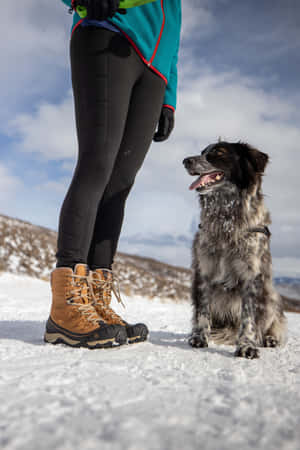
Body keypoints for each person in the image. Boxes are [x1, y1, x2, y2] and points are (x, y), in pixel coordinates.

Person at [44, 0, 182, 349]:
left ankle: (96, 301)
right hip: (108, 32)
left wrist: (169, 97)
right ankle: (66, 307)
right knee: (96, 165)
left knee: (120, 184)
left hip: (155, 71)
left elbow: (174, 36)